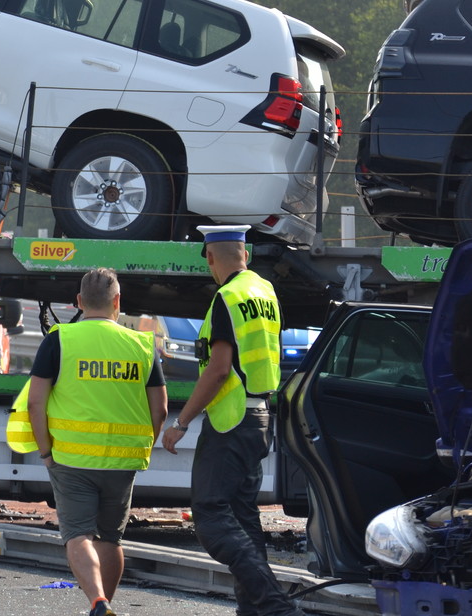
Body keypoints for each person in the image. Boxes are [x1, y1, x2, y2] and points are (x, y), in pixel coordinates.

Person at [161, 225, 302, 616]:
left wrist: (182, 421)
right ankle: (253, 610)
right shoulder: (264, 291)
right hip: (260, 416)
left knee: (210, 516)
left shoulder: (227, 297)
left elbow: (219, 370)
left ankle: (276, 607)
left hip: (231, 419)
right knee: (243, 518)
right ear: (246, 254)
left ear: (209, 257)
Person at [26, 268, 167, 616]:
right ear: (118, 301)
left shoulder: (60, 340)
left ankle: (97, 601)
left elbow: (35, 402)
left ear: (78, 302)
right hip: (122, 462)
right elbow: (160, 408)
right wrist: (142, 447)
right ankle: (105, 605)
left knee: (77, 535)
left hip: (71, 459)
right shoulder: (141, 344)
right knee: (110, 539)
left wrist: (46, 452)